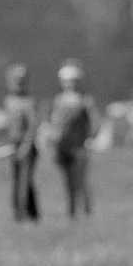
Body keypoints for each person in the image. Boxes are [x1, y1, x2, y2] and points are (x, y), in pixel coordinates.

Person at [49, 60, 100, 218]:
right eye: (67, 81)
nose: (70, 84)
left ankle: (87, 212)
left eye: (73, 81)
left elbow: (95, 123)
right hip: (63, 147)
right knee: (68, 182)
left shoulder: (85, 101)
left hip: (79, 148)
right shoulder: (58, 101)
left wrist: (89, 139)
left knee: (81, 182)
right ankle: (71, 214)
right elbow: (54, 122)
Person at [1, 63, 41, 222]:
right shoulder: (8, 101)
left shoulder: (28, 102)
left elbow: (32, 126)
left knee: (24, 183)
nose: (18, 83)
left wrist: (26, 146)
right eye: (15, 79)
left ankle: (22, 215)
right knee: (18, 182)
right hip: (13, 145)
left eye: (21, 79)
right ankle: (29, 214)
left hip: (26, 146)